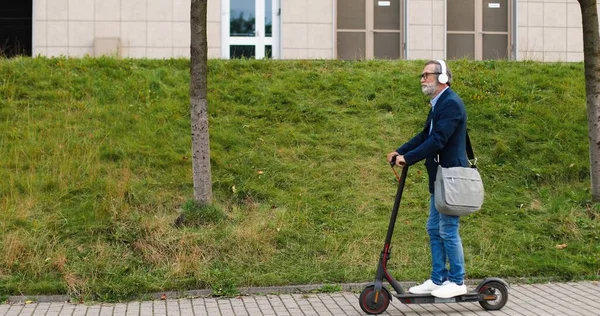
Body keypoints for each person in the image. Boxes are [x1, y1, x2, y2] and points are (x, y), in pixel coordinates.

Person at [386, 60, 469, 299]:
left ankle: (457, 280)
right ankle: (437, 279)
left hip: (450, 177)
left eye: (426, 75)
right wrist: (399, 151)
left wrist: (408, 158)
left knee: (448, 229)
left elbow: (438, 140)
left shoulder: (451, 104)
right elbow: (425, 135)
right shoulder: (438, 105)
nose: (422, 78)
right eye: (422, 75)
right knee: (434, 227)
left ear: (442, 78)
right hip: (439, 178)